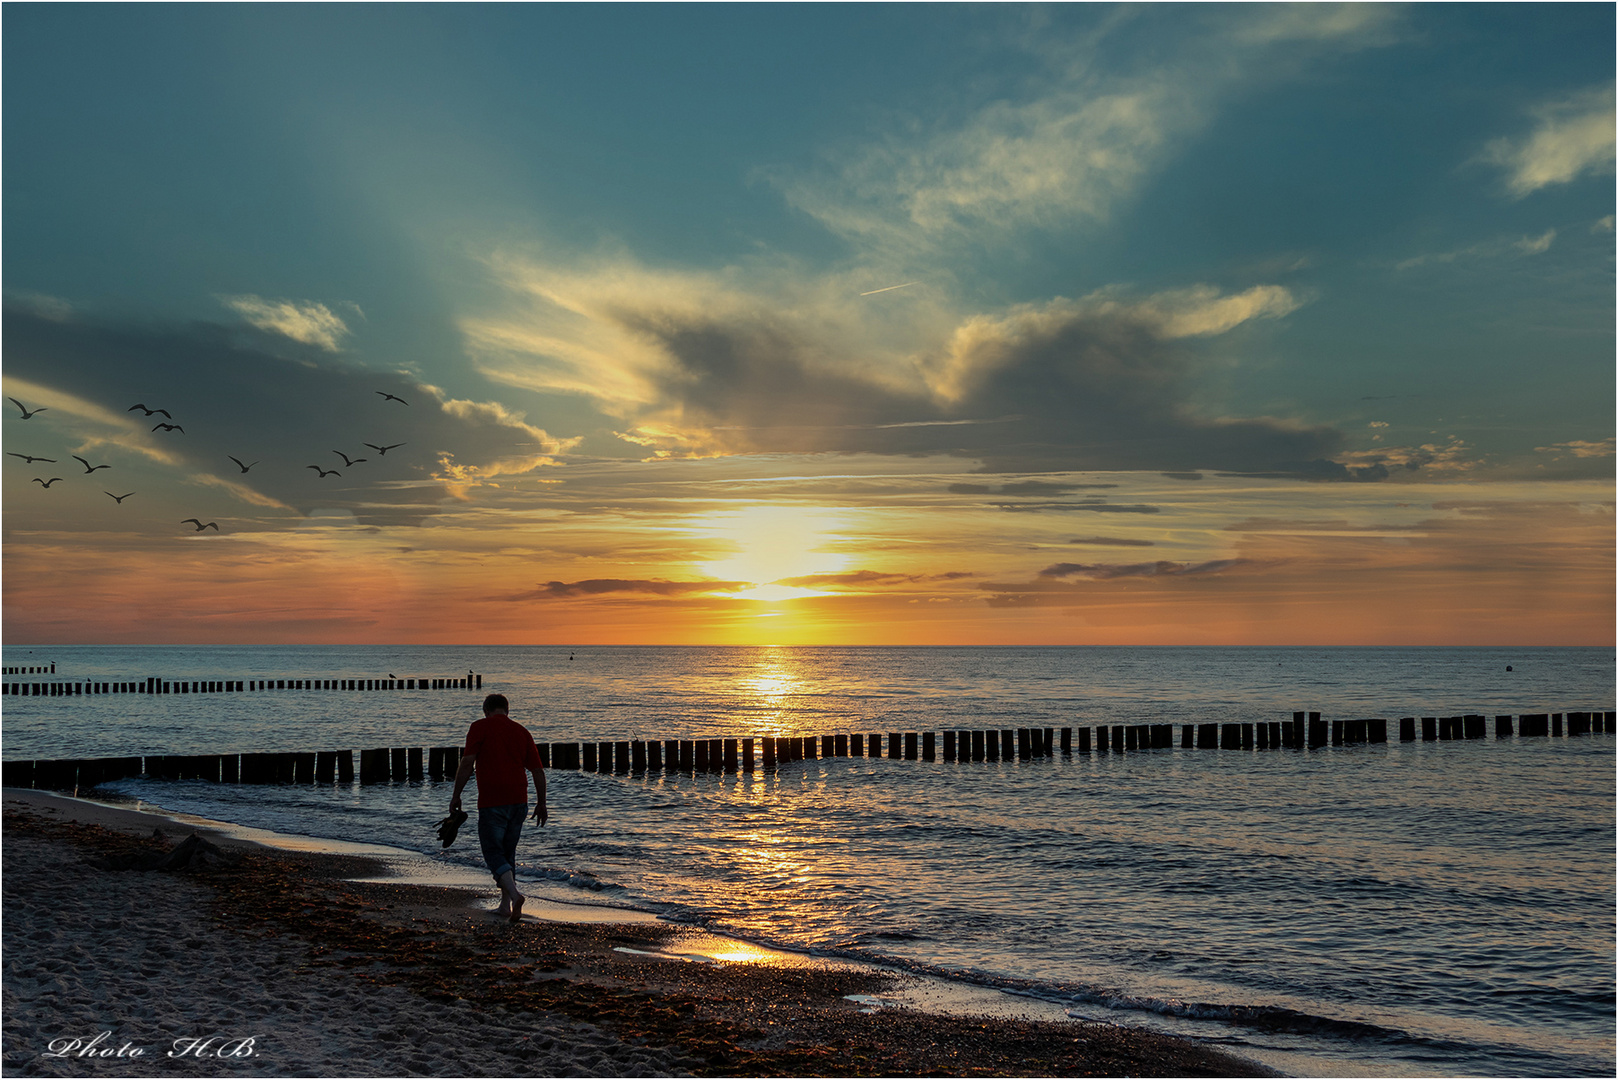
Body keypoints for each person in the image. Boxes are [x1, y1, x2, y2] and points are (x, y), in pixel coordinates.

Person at [449, 693, 546, 922]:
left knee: (493, 852)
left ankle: (514, 895)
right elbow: (538, 771)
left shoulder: (479, 727)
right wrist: (541, 803)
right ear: (507, 711)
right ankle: (505, 906)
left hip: (492, 801)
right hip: (519, 802)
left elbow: (466, 763)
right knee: (507, 853)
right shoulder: (522, 731)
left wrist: (456, 795)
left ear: (486, 711)